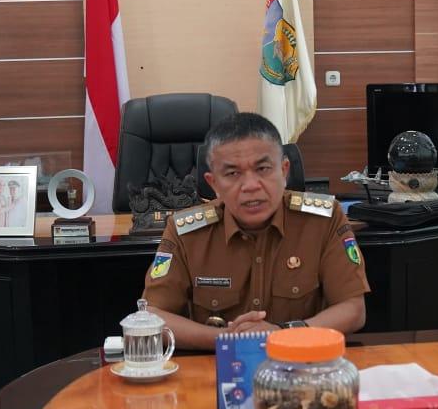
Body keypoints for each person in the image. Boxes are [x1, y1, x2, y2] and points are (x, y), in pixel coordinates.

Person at [142, 112, 369, 350]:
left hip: (303, 366)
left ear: (284, 170)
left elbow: (353, 310)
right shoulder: (185, 232)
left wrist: (284, 334)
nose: (250, 186)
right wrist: (229, 340)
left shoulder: (324, 220)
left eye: (262, 169)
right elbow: (153, 317)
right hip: (215, 371)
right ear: (213, 183)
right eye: (232, 174)